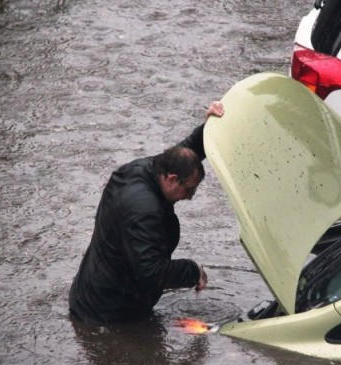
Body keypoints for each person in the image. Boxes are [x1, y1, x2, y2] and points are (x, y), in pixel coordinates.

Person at [69, 101, 225, 325]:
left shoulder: (149, 168)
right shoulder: (144, 212)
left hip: (92, 293)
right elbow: (152, 271)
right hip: (107, 315)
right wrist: (193, 271)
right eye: (189, 191)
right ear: (172, 179)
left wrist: (209, 128)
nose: (189, 197)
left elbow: (187, 151)